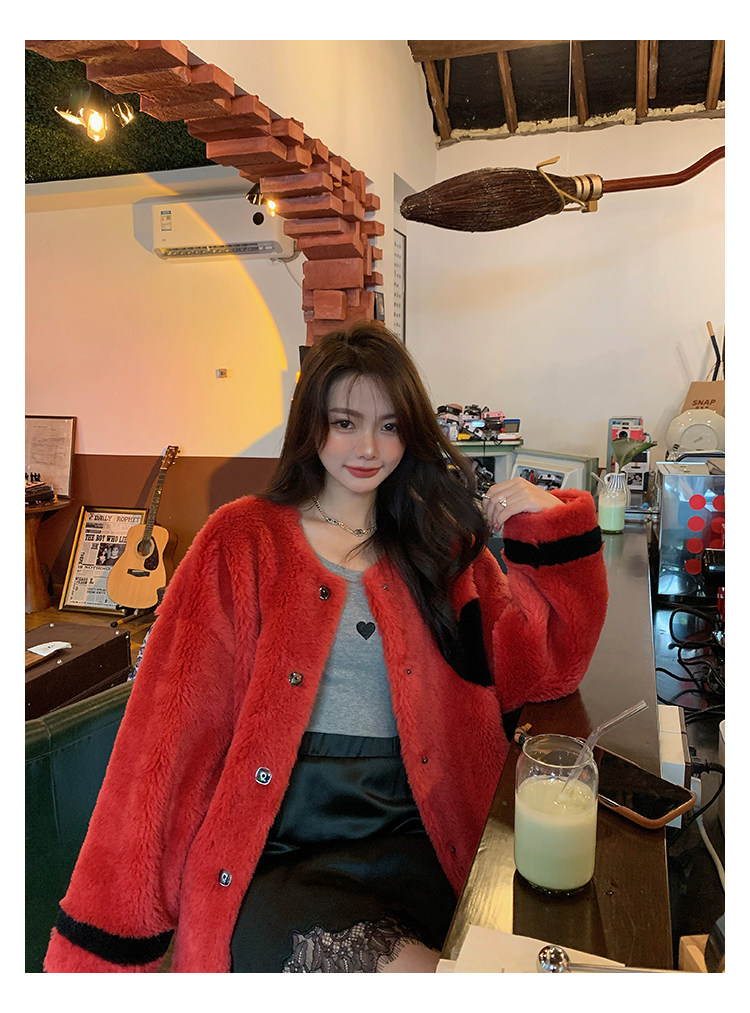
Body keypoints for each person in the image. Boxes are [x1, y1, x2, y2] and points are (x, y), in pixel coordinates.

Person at [43, 321, 608, 973]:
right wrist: (108, 949)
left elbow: (547, 667)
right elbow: (164, 738)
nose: (368, 447)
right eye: (345, 422)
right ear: (311, 424)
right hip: (279, 850)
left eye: (390, 426)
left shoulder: (442, 544)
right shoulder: (241, 540)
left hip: (422, 838)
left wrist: (550, 521)